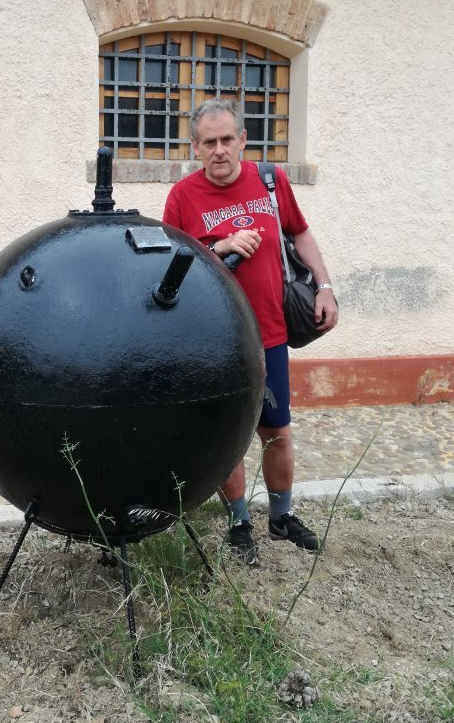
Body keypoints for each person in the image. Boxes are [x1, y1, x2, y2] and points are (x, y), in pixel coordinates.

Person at [163, 99, 338, 565]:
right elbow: (170, 267)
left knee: (276, 431)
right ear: (195, 148)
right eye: (208, 142)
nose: (219, 151)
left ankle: (281, 518)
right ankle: (240, 523)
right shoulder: (182, 197)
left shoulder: (271, 181)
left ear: (243, 139)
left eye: (227, 140)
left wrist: (324, 287)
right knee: (228, 437)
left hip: (270, 333)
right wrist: (217, 246)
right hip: (214, 342)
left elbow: (300, 233)